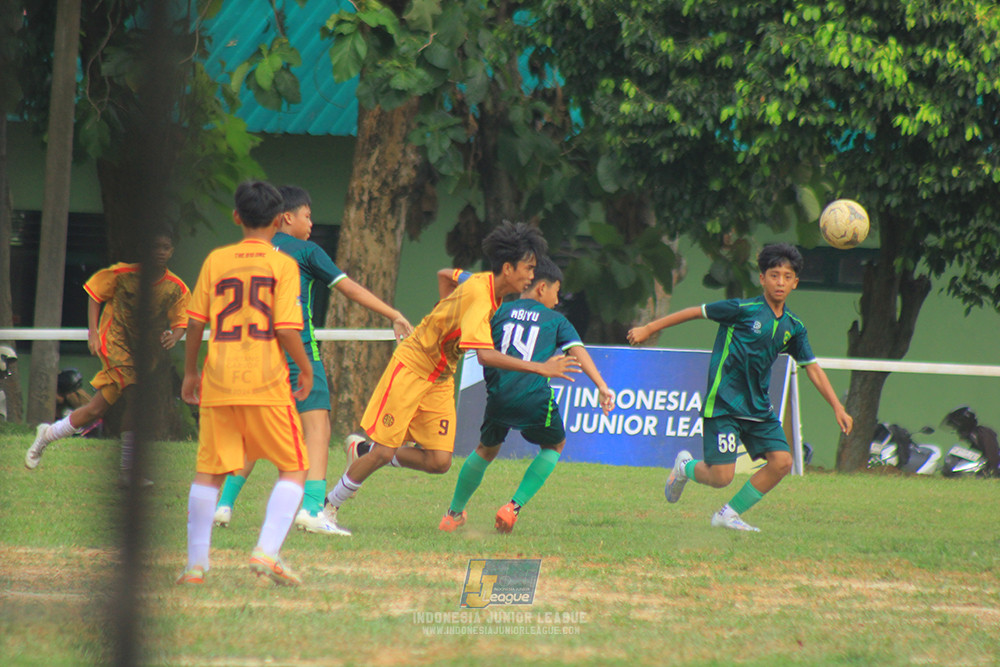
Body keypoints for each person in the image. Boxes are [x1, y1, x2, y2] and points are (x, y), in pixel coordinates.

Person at [324, 221, 581, 528]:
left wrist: (444, 308)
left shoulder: (485, 284)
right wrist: (542, 367)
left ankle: (361, 451)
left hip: (442, 375)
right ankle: (328, 508)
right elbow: (485, 356)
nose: (530, 275)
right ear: (509, 268)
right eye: (528, 268)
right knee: (384, 451)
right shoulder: (481, 297)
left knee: (439, 462)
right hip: (414, 366)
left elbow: (445, 274)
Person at [212, 185, 413, 536]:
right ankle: (312, 510)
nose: (311, 221)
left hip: (253, 353)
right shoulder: (307, 251)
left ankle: (223, 505)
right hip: (296, 352)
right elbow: (349, 288)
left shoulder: (244, 254)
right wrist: (392, 313)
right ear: (286, 217)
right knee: (317, 428)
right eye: (307, 215)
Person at [627, 242, 853, 532]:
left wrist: (837, 406)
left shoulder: (794, 327)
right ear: (762, 278)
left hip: (758, 407)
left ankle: (728, 514)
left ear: (795, 282)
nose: (780, 282)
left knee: (783, 461)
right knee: (721, 477)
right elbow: (695, 312)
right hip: (724, 404)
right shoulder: (742, 309)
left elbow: (812, 367)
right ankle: (684, 466)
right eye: (774, 275)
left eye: (787, 276)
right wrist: (649, 328)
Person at [177, 180, 313, 586]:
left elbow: (195, 322)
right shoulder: (282, 265)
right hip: (266, 380)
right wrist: (305, 368)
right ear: (278, 220)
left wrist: (190, 372)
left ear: (236, 217)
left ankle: (195, 566)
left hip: (219, 380)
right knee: (294, 467)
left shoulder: (217, 261)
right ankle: (266, 553)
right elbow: (287, 329)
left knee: (209, 472)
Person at [438, 256, 615, 534]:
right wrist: (602, 386)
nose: (557, 301)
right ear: (541, 287)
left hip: (499, 396)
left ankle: (452, 514)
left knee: (485, 450)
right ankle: (512, 508)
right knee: (555, 444)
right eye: (557, 292)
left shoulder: (499, 310)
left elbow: (455, 279)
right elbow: (577, 351)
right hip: (534, 397)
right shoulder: (556, 320)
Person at [25, 230, 189, 484]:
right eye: (155, 245)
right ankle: (128, 472)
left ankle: (46, 435)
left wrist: (175, 336)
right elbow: (95, 294)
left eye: (165, 247)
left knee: (95, 409)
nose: (160, 251)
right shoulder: (123, 273)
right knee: (136, 397)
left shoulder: (175, 287)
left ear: (172, 251)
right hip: (113, 342)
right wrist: (93, 333)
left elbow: (182, 320)